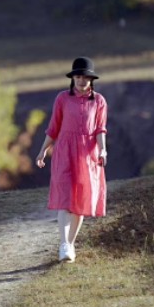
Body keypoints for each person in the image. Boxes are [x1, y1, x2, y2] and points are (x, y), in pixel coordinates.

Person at [35, 57, 108, 263]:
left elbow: (100, 129)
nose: (82, 81)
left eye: (86, 78)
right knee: (65, 199)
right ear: (73, 78)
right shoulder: (62, 99)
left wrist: (103, 151)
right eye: (78, 77)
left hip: (88, 154)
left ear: (91, 80)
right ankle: (64, 244)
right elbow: (53, 128)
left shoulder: (99, 101)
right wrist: (42, 151)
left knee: (80, 202)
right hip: (64, 152)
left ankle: (71, 244)